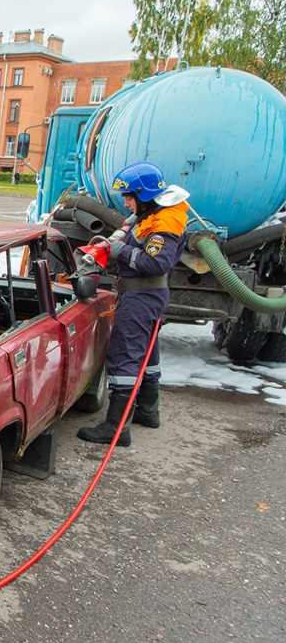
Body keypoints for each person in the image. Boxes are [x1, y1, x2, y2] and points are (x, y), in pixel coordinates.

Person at [77, 162, 189, 447]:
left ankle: (116, 428)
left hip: (142, 296)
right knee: (147, 355)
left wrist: (120, 250)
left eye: (129, 197)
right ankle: (148, 411)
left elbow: (156, 262)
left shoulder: (164, 224)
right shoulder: (155, 215)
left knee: (125, 354)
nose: (126, 202)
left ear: (145, 195)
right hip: (150, 296)